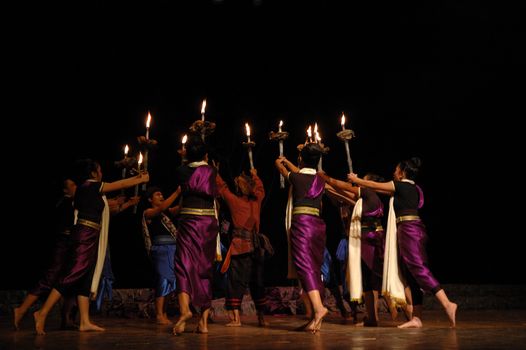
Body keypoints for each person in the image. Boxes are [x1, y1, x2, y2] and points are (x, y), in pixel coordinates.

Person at [33, 159, 149, 335]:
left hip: (89, 234)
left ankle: (85, 321)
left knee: (85, 277)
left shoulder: (83, 189)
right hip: (85, 234)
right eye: (100, 171)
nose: (101, 173)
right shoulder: (91, 186)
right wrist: (140, 180)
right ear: (93, 174)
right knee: (71, 275)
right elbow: (120, 184)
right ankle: (42, 313)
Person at [348, 157, 457, 328]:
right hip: (413, 229)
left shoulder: (401, 185)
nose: (393, 172)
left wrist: (356, 180)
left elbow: (376, 186)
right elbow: (377, 189)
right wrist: (360, 183)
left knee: (419, 269)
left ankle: (447, 304)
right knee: (411, 274)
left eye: (396, 170)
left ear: (402, 172)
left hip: (409, 230)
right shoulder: (412, 188)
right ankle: (417, 318)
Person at [320, 172, 390, 326]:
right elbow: (343, 194)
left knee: (376, 281)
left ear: (369, 183)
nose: (359, 182)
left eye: (362, 180)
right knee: (369, 283)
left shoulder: (368, 192)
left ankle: (409, 314)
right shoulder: (364, 199)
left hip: (369, 243)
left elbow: (344, 186)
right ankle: (372, 318)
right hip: (367, 242)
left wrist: (328, 178)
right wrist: (326, 185)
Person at [275, 143, 328, 334]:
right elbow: (304, 174)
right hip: (318, 225)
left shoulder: (296, 178)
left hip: (303, 224)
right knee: (313, 267)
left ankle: (319, 308)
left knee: (304, 267)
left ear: (301, 159)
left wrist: (280, 162)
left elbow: (282, 170)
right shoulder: (320, 179)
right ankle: (316, 317)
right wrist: (291, 161)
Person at [14, 178, 78, 330]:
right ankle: (21, 310)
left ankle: (67, 320)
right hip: (62, 246)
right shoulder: (64, 203)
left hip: (69, 245)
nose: (77, 187)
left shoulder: (72, 202)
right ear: (66, 190)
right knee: (49, 279)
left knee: (70, 282)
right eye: (73, 185)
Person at [172, 134, 219, 335]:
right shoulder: (212, 170)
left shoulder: (181, 170)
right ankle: (204, 323)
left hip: (189, 223)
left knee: (183, 266)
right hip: (208, 223)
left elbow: (189, 171)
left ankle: (184, 312)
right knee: (205, 269)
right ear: (206, 155)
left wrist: (185, 155)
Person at [215, 166, 269, 327]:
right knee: (257, 282)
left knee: (236, 282)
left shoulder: (235, 201)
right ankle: (261, 318)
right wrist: (256, 175)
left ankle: (236, 319)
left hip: (242, 248)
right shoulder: (257, 200)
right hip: (257, 249)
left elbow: (222, 188)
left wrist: (214, 172)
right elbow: (260, 189)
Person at [142, 186, 181, 325]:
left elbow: (178, 208)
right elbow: (161, 208)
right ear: (150, 199)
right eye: (158, 194)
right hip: (160, 250)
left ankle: (164, 312)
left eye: (162, 194)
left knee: (172, 282)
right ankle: (159, 314)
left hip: (173, 248)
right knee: (163, 280)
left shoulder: (167, 212)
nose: (161, 196)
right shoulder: (148, 212)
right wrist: (176, 192)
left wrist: (187, 196)